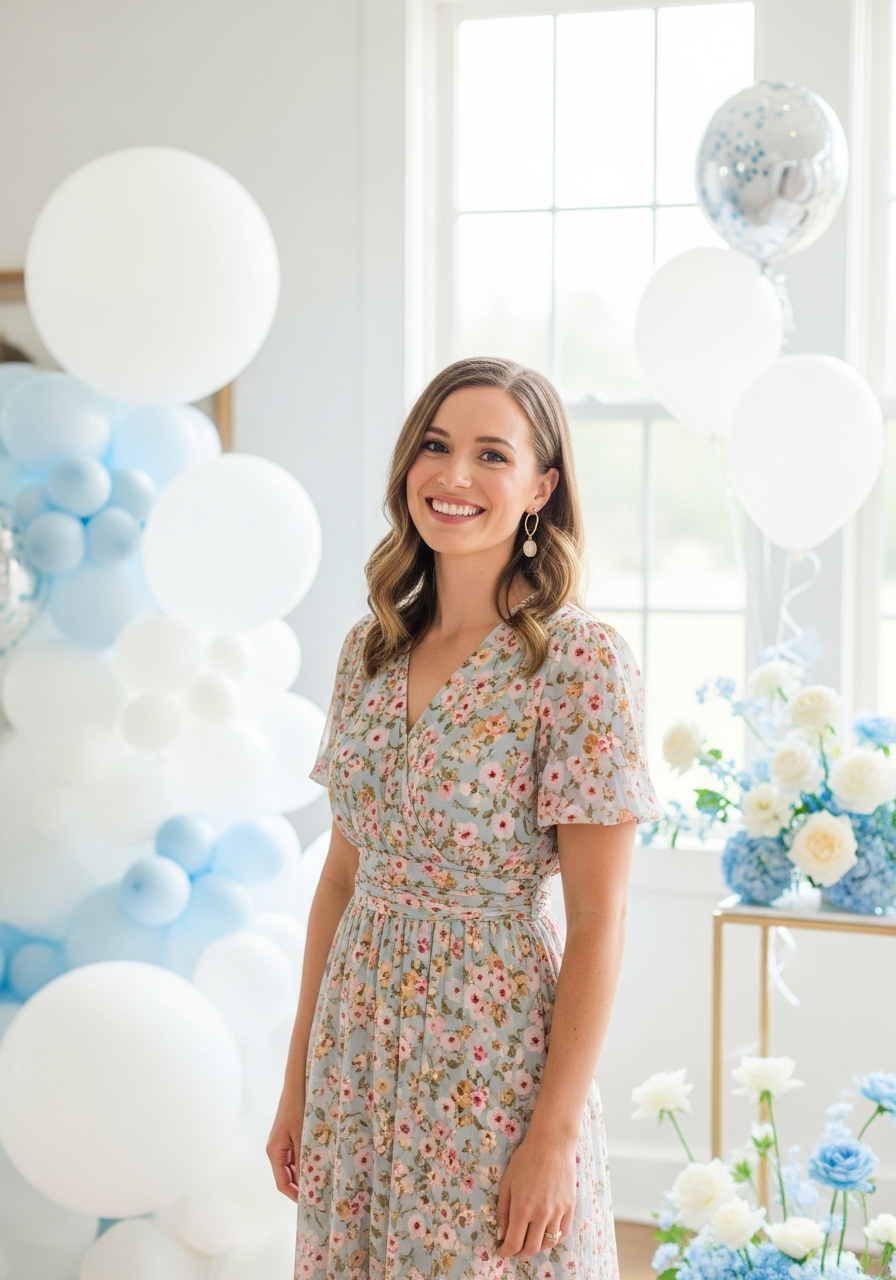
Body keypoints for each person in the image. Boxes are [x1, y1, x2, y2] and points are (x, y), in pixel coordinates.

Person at [269, 356, 662, 1279]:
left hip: (489, 1062)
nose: (454, 477)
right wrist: (297, 1083)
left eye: (493, 454)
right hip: (355, 1051)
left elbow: (602, 922)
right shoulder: (368, 651)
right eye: (436, 447)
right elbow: (338, 883)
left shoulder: (580, 664)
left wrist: (553, 1136)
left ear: (541, 489)